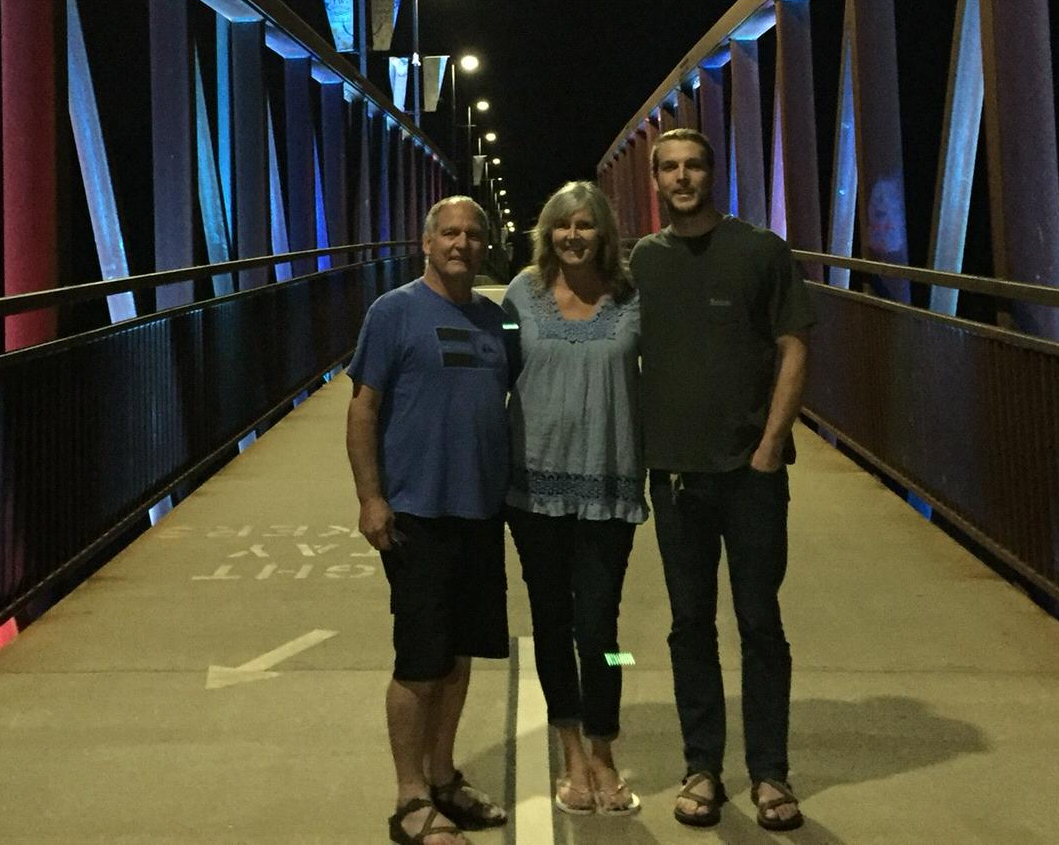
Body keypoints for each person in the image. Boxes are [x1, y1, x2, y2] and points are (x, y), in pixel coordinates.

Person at [630, 128, 814, 832]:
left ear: (714, 173)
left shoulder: (761, 251)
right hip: (675, 475)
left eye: (694, 166)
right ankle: (702, 766)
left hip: (750, 474)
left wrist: (769, 446)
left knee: (760, 622)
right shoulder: (643, 261)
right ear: (655, 180)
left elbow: (794, 346)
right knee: (689, 624)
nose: (682, 178)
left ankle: (770, 773)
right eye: (670, 168)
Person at [346, 195, 514, 845]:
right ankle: (410, 798)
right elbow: (363, 410)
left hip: (481, 510)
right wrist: (371, 497)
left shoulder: (496, 320)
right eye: (449, 233)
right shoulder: (393, 312)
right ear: (426, 242)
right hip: (417, 510)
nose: (461, 243)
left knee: (459, 655)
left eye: (473, 234)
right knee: (420, 661)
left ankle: (443, 777)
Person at [502, 181, 645, 817]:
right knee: (551, 622)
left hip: (609, 485)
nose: (573, 235)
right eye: (563, 225)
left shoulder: (633, 296)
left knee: (603, 629)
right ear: (548, 232)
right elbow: (491, 371)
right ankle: (571, 753)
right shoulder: (521, 294)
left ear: (604, 233)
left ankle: (604, 746)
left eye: (586, 225)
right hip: (533, 489)